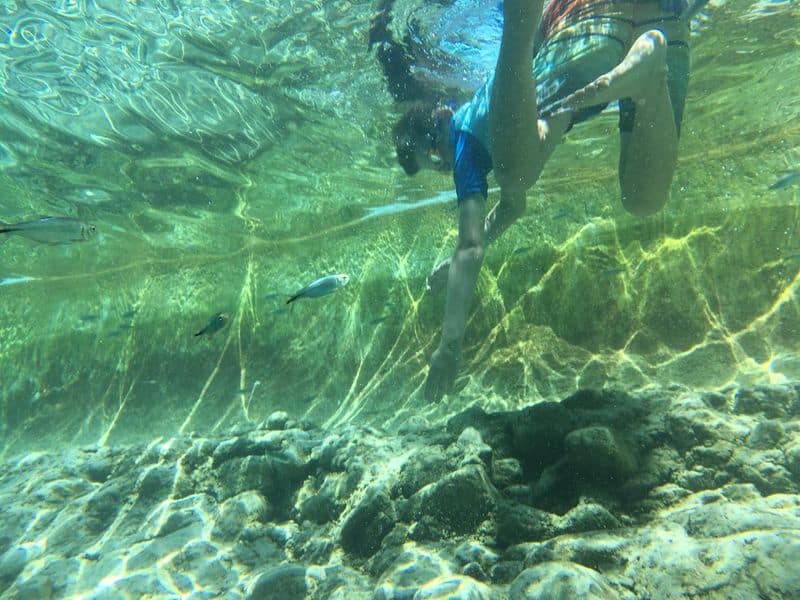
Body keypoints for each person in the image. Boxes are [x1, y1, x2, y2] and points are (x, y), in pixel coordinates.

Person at [388, 0, 691, 402]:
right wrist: (452, 262)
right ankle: (648, 79)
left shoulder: (464, 140)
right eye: (441, 166)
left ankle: (521, 12)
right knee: (641, 199)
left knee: (518, 171)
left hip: (578, 26)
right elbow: (513, 206)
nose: (447, 165)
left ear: (445, 118)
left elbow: (472, 245)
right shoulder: (496, 114)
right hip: (648, 23)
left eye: (437, 158)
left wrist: (449, 346)